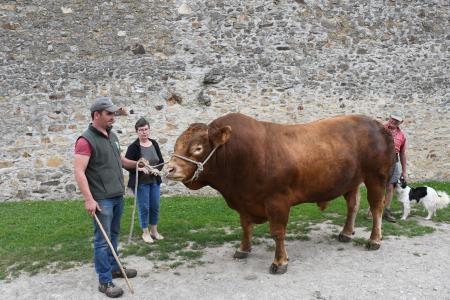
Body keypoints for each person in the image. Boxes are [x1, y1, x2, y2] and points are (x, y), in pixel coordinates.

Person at [74, 97, 138, 298]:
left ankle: (114, 267)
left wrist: (138, 164)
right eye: (109, 114)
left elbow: (121, 161)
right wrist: (88, 199)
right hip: (101, 200)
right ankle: (105, 281)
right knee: (102, 241)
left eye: (113, 113)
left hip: (117, 196)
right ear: (96, 115)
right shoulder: (85, 141)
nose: (113, 117)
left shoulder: (113, 137)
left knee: (114, 236)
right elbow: (79, 171)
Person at [125, 117, 165, 243]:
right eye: (141, 130)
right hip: (141, 182)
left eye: (146, 129)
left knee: (155, 206)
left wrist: (156, 169)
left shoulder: (154, 143)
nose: (144, 132)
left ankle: (154, 231)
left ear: (149, 130)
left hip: (154, 181)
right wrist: (140, 169)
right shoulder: (133, 147)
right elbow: (127, 165)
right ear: (137, 132)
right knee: (144, 207)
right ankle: (145, 232)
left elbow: (161, 161)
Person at [383, 112, 408, 223]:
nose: (393, 121)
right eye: (392, 118)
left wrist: (404, 171)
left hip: (395, 161)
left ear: (400, 122)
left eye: (396, 120)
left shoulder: (402, 135)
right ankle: (372, 210)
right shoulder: (380, 128)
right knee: (376, 185)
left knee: (390, 187)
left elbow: (402, 153)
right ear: (389, 118)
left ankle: (386, 211)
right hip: (380, 160)